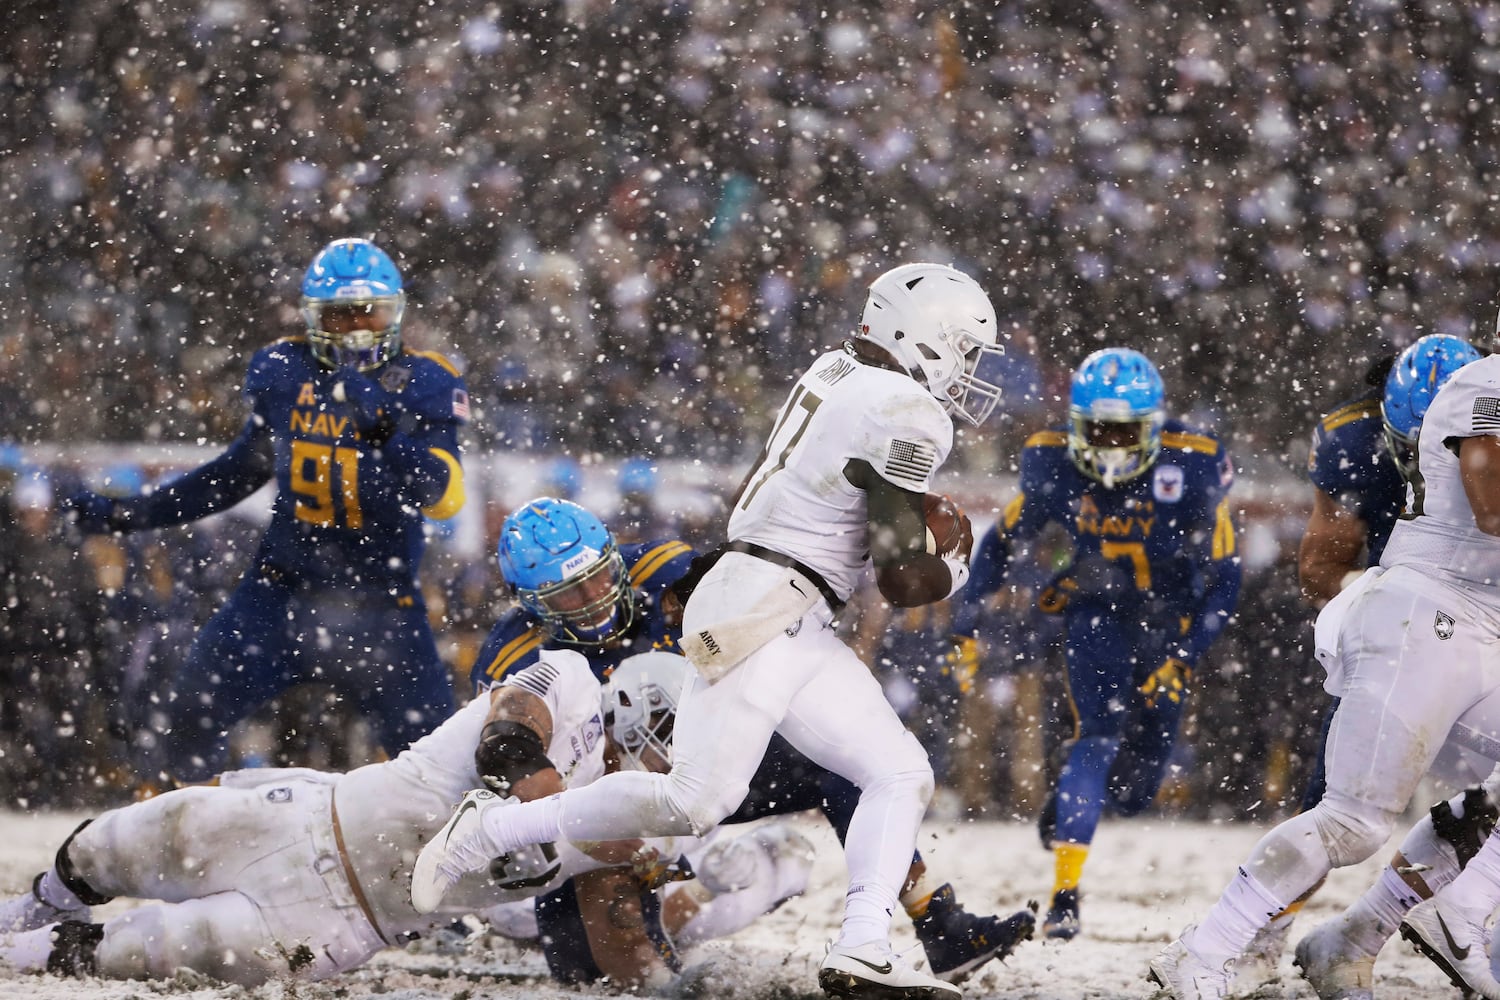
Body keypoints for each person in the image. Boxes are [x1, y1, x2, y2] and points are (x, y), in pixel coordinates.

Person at [412, 261, 1015, 999]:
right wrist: (952, 563)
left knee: (896, 770)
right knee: (692, 801)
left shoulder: (833, 370)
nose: (966, 372)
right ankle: (486, 832)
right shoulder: (908, 409)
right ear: (927, 338)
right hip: (771, 605)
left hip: (777, 597)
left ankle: (864, 946)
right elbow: (898, 575)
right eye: (965, 350)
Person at [469, 495, 1034, 987]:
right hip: (612, 799)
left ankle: (941, 925)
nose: (594, 597)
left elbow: (756, 599)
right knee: (588, 971)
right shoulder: (517, 658)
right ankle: (593, 921)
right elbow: (530, 778)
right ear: (530, 602)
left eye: (597, 576)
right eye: (569, 594)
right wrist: (616, 843)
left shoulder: (664, 568)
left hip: (710, 759)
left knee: (845, 769)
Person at [0, 648, 803, 988]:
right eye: (671, 750)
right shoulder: (574, 682)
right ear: (641, 718)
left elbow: (615, 932)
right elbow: (509, 730)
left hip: (340, 925)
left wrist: (663, 984)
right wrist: (549, 810)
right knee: (112, 846)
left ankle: (28, 941)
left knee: (124, 956)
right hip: (304, 821)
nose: (672, 773)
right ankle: (38, 897)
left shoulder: (636, 828)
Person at [1148, 336, 1500, 1000]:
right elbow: (1485, 515)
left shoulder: (1472, 397)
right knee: (1352, 819)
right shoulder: (1438, 417)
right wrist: (1371, 596)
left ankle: (1368, 933)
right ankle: (1214, 945)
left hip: (1471, 623)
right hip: (1419, 618)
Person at [59, 238, 468, 784]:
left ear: (394, 312)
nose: (356, 328)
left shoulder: (426, 379)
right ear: (311, 316)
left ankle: (467, 860)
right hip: (280, 596)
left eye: (369, 311)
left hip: (381, 607)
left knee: (444, 766)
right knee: (190, 716)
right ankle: (181, 848)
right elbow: (234, 475)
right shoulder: (283, 370)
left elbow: (443, 495)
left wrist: (386, 431)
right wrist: (127, 514)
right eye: (340, 314)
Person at [956, 347, 1242, 941]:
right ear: (1077, 426)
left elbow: (1225, 578)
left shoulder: (1194, 464)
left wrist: (1187, 653)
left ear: (1153, 428)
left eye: (1124, 431)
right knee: (1097, 738)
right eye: (1100, 430)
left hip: (1168, 625)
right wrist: (967, 619)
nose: (1111, 445)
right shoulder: (1050, 459)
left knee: (1137, 791)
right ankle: (1065, 893)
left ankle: (1069, 798)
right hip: (1098, 616)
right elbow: (1003, 539)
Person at [1241, 335, 1489, 990]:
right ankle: (1261, 928)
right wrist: (1391, 609)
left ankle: (1391, 929)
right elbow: (1319, 567)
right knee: (1342, 802)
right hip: (1407, 619)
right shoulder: (1355, 441)